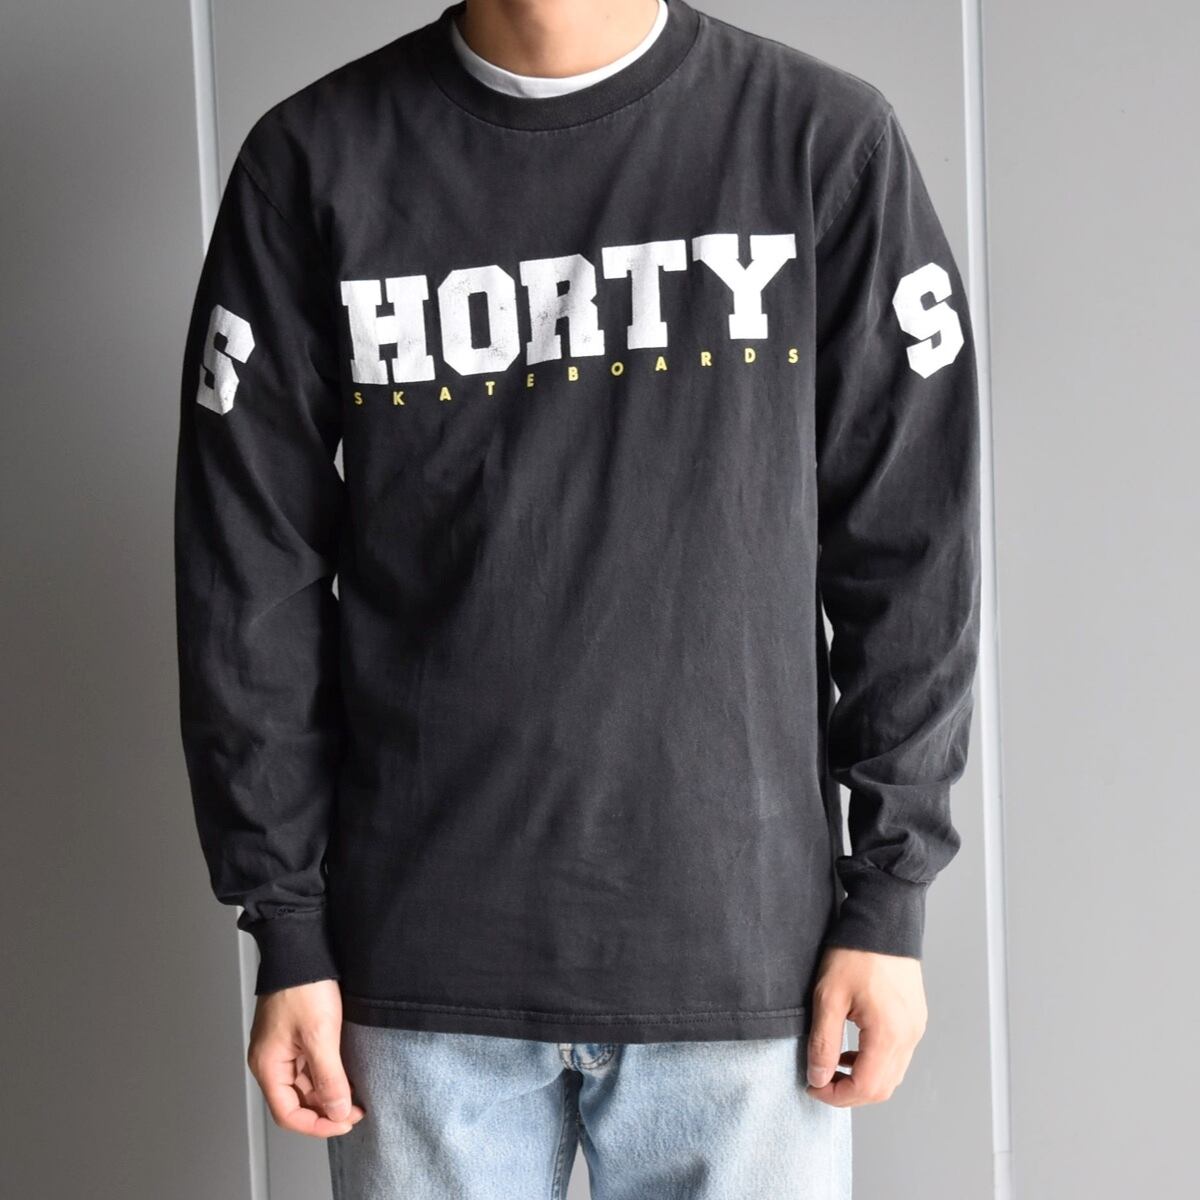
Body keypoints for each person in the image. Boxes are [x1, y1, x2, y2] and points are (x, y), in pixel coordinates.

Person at [173, 0, 981, 1195]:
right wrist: (283, 921)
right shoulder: (312, 161)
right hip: (418, 979)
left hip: (745, 968)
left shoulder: (820, 141)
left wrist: (892, 895)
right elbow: (248, 569)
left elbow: (911, 545)